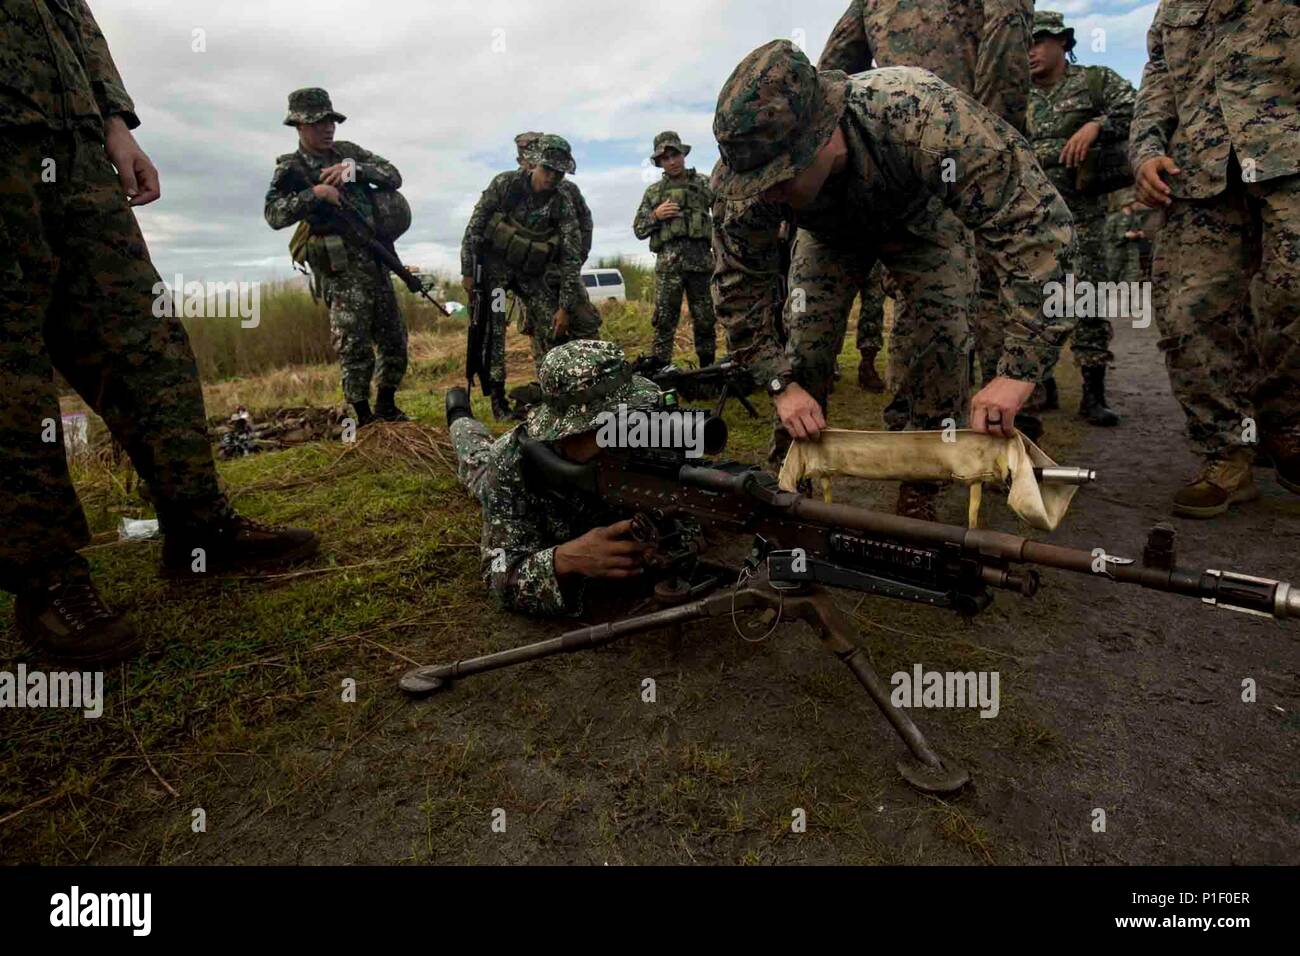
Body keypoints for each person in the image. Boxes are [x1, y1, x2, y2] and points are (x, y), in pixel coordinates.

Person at [2, 2, 318, 663]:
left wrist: (115, 123)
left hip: (78, 145)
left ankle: (200, 527)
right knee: (12, 378)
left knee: (148, 341)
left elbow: (74, 17)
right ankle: (46, 576)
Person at [710, 41, 1076, 519]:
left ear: (820, 137)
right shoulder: (749, 183)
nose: (768, 194)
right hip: (827, 238)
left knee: (944, 335)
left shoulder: (920, 113)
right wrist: (779, 385)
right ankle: (789, 476)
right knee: (807, 345)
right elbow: (739, 289)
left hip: (923, 222)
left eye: (780, 178)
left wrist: (1019, 371)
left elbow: (1039, 231)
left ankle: (921, 482)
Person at [1130, 0, 1300, 516]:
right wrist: (1144, 151)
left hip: (1288, 156)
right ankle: (1224, 452)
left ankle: (1282, 421)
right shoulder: (1176, 7)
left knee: (1292, 291)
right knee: (1189, 312)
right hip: (1199, 169)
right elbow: (1157, 78)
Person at [445, 340, 658, 615]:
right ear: (568, 432)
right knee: (476, 461)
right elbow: (498, 574)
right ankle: (459, 413)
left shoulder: (639, 435)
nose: (624, 433)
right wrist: (564, 560)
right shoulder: (513, 462)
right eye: (606, 426)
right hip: (493, 470)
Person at [265, 88, 410, 426]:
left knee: (394, 338)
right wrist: (313, 194)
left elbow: (393, 176)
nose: (327, 129)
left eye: (331, 121)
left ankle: (387, 405)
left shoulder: (348, 153)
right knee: (354, 344)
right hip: (340, 270)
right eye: (318, 123)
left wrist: (355, 170)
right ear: (298, 125)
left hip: (377, 258)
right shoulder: (291, 167)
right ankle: (361, 415)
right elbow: (274, 214)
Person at [1027, 11, 1136, 427]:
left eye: (1039, 41)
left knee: (1087, 299)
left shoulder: (1095, 82)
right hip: (1031, 219)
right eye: (1025, 44)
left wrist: (1097, 124)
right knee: (1033, 301)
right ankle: (1042, 381)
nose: (1031, 52)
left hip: (1083, 215)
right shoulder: (1016, 94)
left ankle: (1094, 393)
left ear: (1062, 42)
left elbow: (1136, 107)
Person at [461, 134, 599, 419]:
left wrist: (563, 307)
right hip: (497, 272)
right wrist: (467, 273)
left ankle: (553, 390)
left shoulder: (562, 200)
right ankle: (498, 401)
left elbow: (571, 256)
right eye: (547, 169)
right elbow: (475, 227)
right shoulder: (505, 184)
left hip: (531, 273)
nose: (551, 177)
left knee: (552, 324)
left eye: (558, 173)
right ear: (535, 165)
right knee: (495, 328)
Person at [632, 131, 718, 366]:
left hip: (701, 264)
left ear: (683, 154)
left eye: (675, 154)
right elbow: (638, 229)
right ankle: (661, 373)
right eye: (665, 157)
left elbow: (723, 213)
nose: (672, 161)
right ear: (659, 162)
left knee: (705, 319)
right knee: (664, 321)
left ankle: (708, 370)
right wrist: (655, 215)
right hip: (669, 269)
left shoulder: (703, 183)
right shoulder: (653, 193)